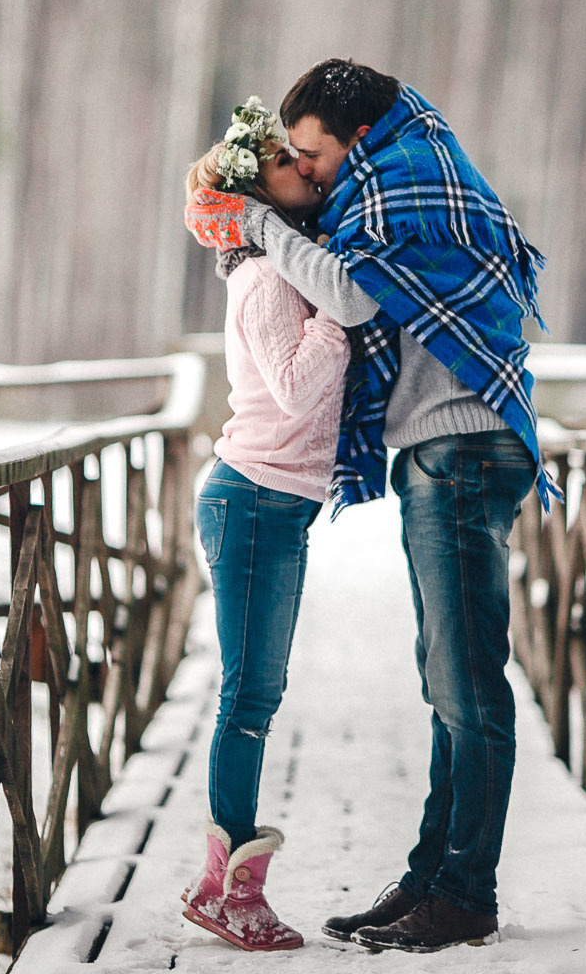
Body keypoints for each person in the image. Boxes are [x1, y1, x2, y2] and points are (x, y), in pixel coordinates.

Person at [233, 59, 556, 954]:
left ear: (357, 139)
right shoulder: (398, 175)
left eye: (311, 153)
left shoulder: (401, 183)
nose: (308, 170)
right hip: (448, 445)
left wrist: (258, 222)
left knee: (466, 684)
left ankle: (465, 893)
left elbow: (347, 288)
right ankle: (431, 876)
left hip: (458, 445)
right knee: (446, 678)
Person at [180, 96, 350, 953]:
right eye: (285, 161)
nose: (302, 165)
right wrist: (339, 323)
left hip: (272, 501)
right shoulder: (265, 279)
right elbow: (291, 385)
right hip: (251, 496)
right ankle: (227, 894)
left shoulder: (285, 269)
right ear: (259, 196)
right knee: (247, 697)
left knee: (256, 693)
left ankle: (224, 884)